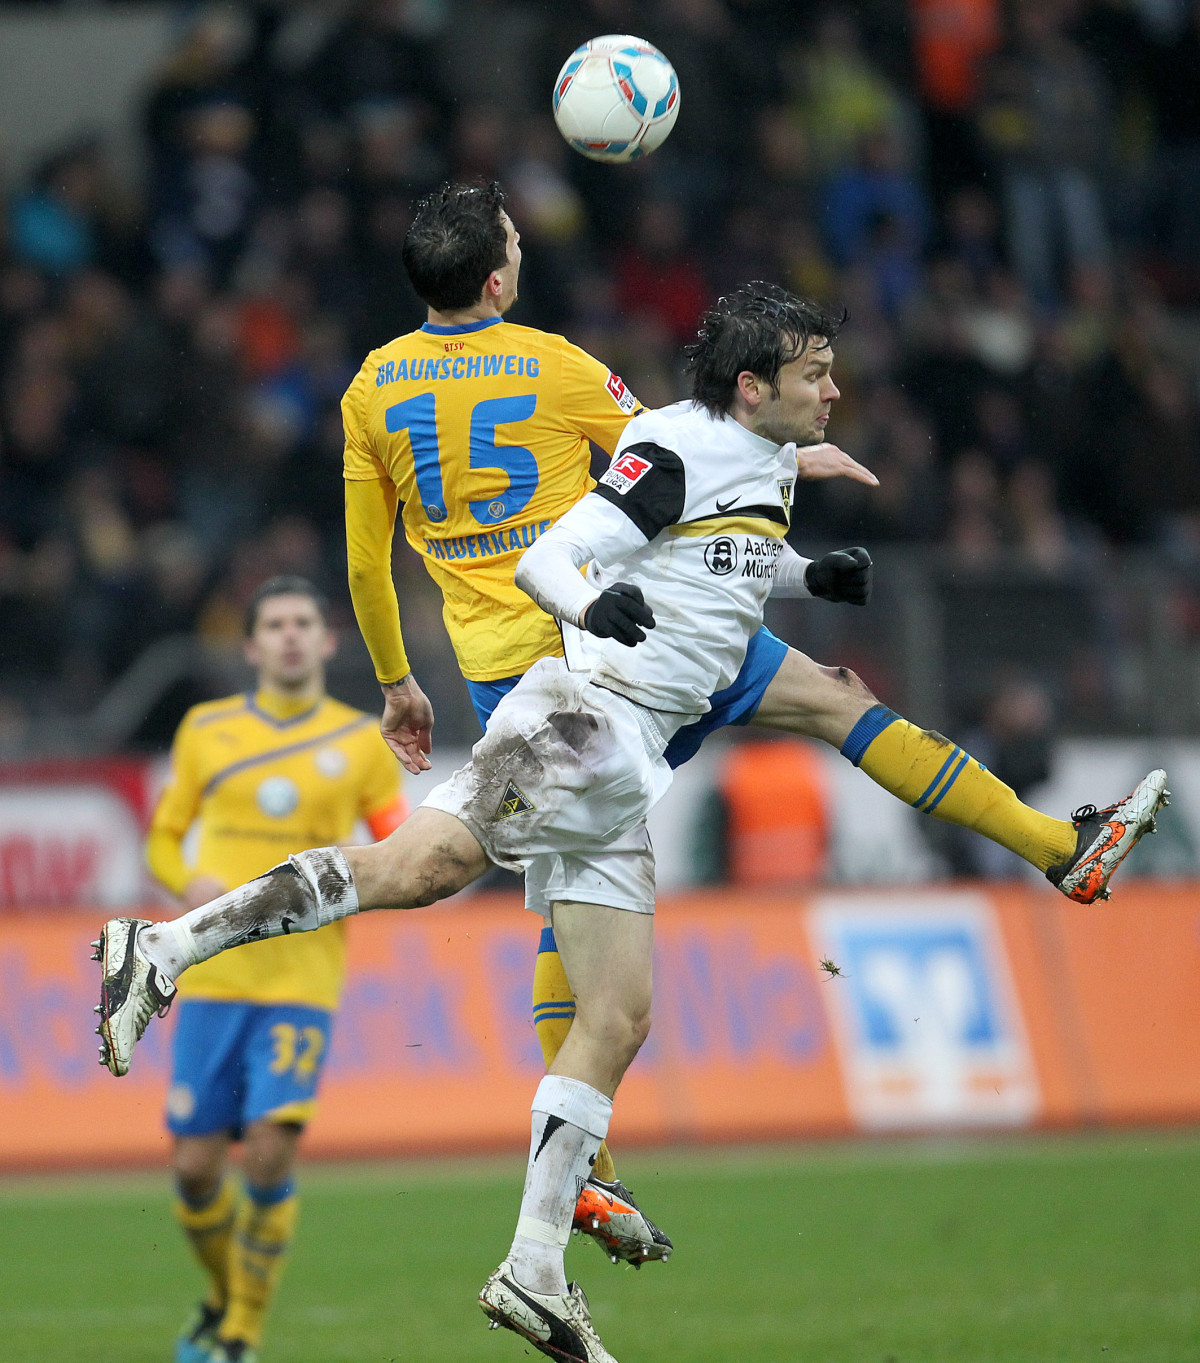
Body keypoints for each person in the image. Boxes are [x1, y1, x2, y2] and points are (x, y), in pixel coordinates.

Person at [97, 285, 1167, 1363]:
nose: (834, 390)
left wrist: (809, 575)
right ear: (752, 386)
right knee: (413, 869)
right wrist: (587, 603)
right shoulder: (674, 446)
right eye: (815, 375)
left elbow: (717, 557)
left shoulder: (760, 456)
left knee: (618, 1015)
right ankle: (165, 946)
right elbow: (552, 560)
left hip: (625, 761)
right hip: (579, 723)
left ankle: (534, 1268)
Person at [340, 178, 878, 1266]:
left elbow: (366, 560)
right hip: (604, 639)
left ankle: (587, 1168)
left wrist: (397, 679)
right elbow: (677, 459)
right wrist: (785, 452)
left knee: (565, 887)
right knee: (821, 702)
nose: (524, 247)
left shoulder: (370, 386)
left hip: (495, 666)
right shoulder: (554, 363)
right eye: (516, 239)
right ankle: (579, 1169)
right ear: (498, 279)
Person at [141, 576, 406, 1363]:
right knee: (194, 1166)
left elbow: (395, 843)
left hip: (301, 980)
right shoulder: (206, 729)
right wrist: (184, 881)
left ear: (327, 640)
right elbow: (163, 836)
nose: (290, 635)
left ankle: (240, 1334)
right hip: (215, 978)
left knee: (267, 1148)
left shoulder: (361, 741)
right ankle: (227, 1295)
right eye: (275, 624)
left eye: (303, 622)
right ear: (251, 645)